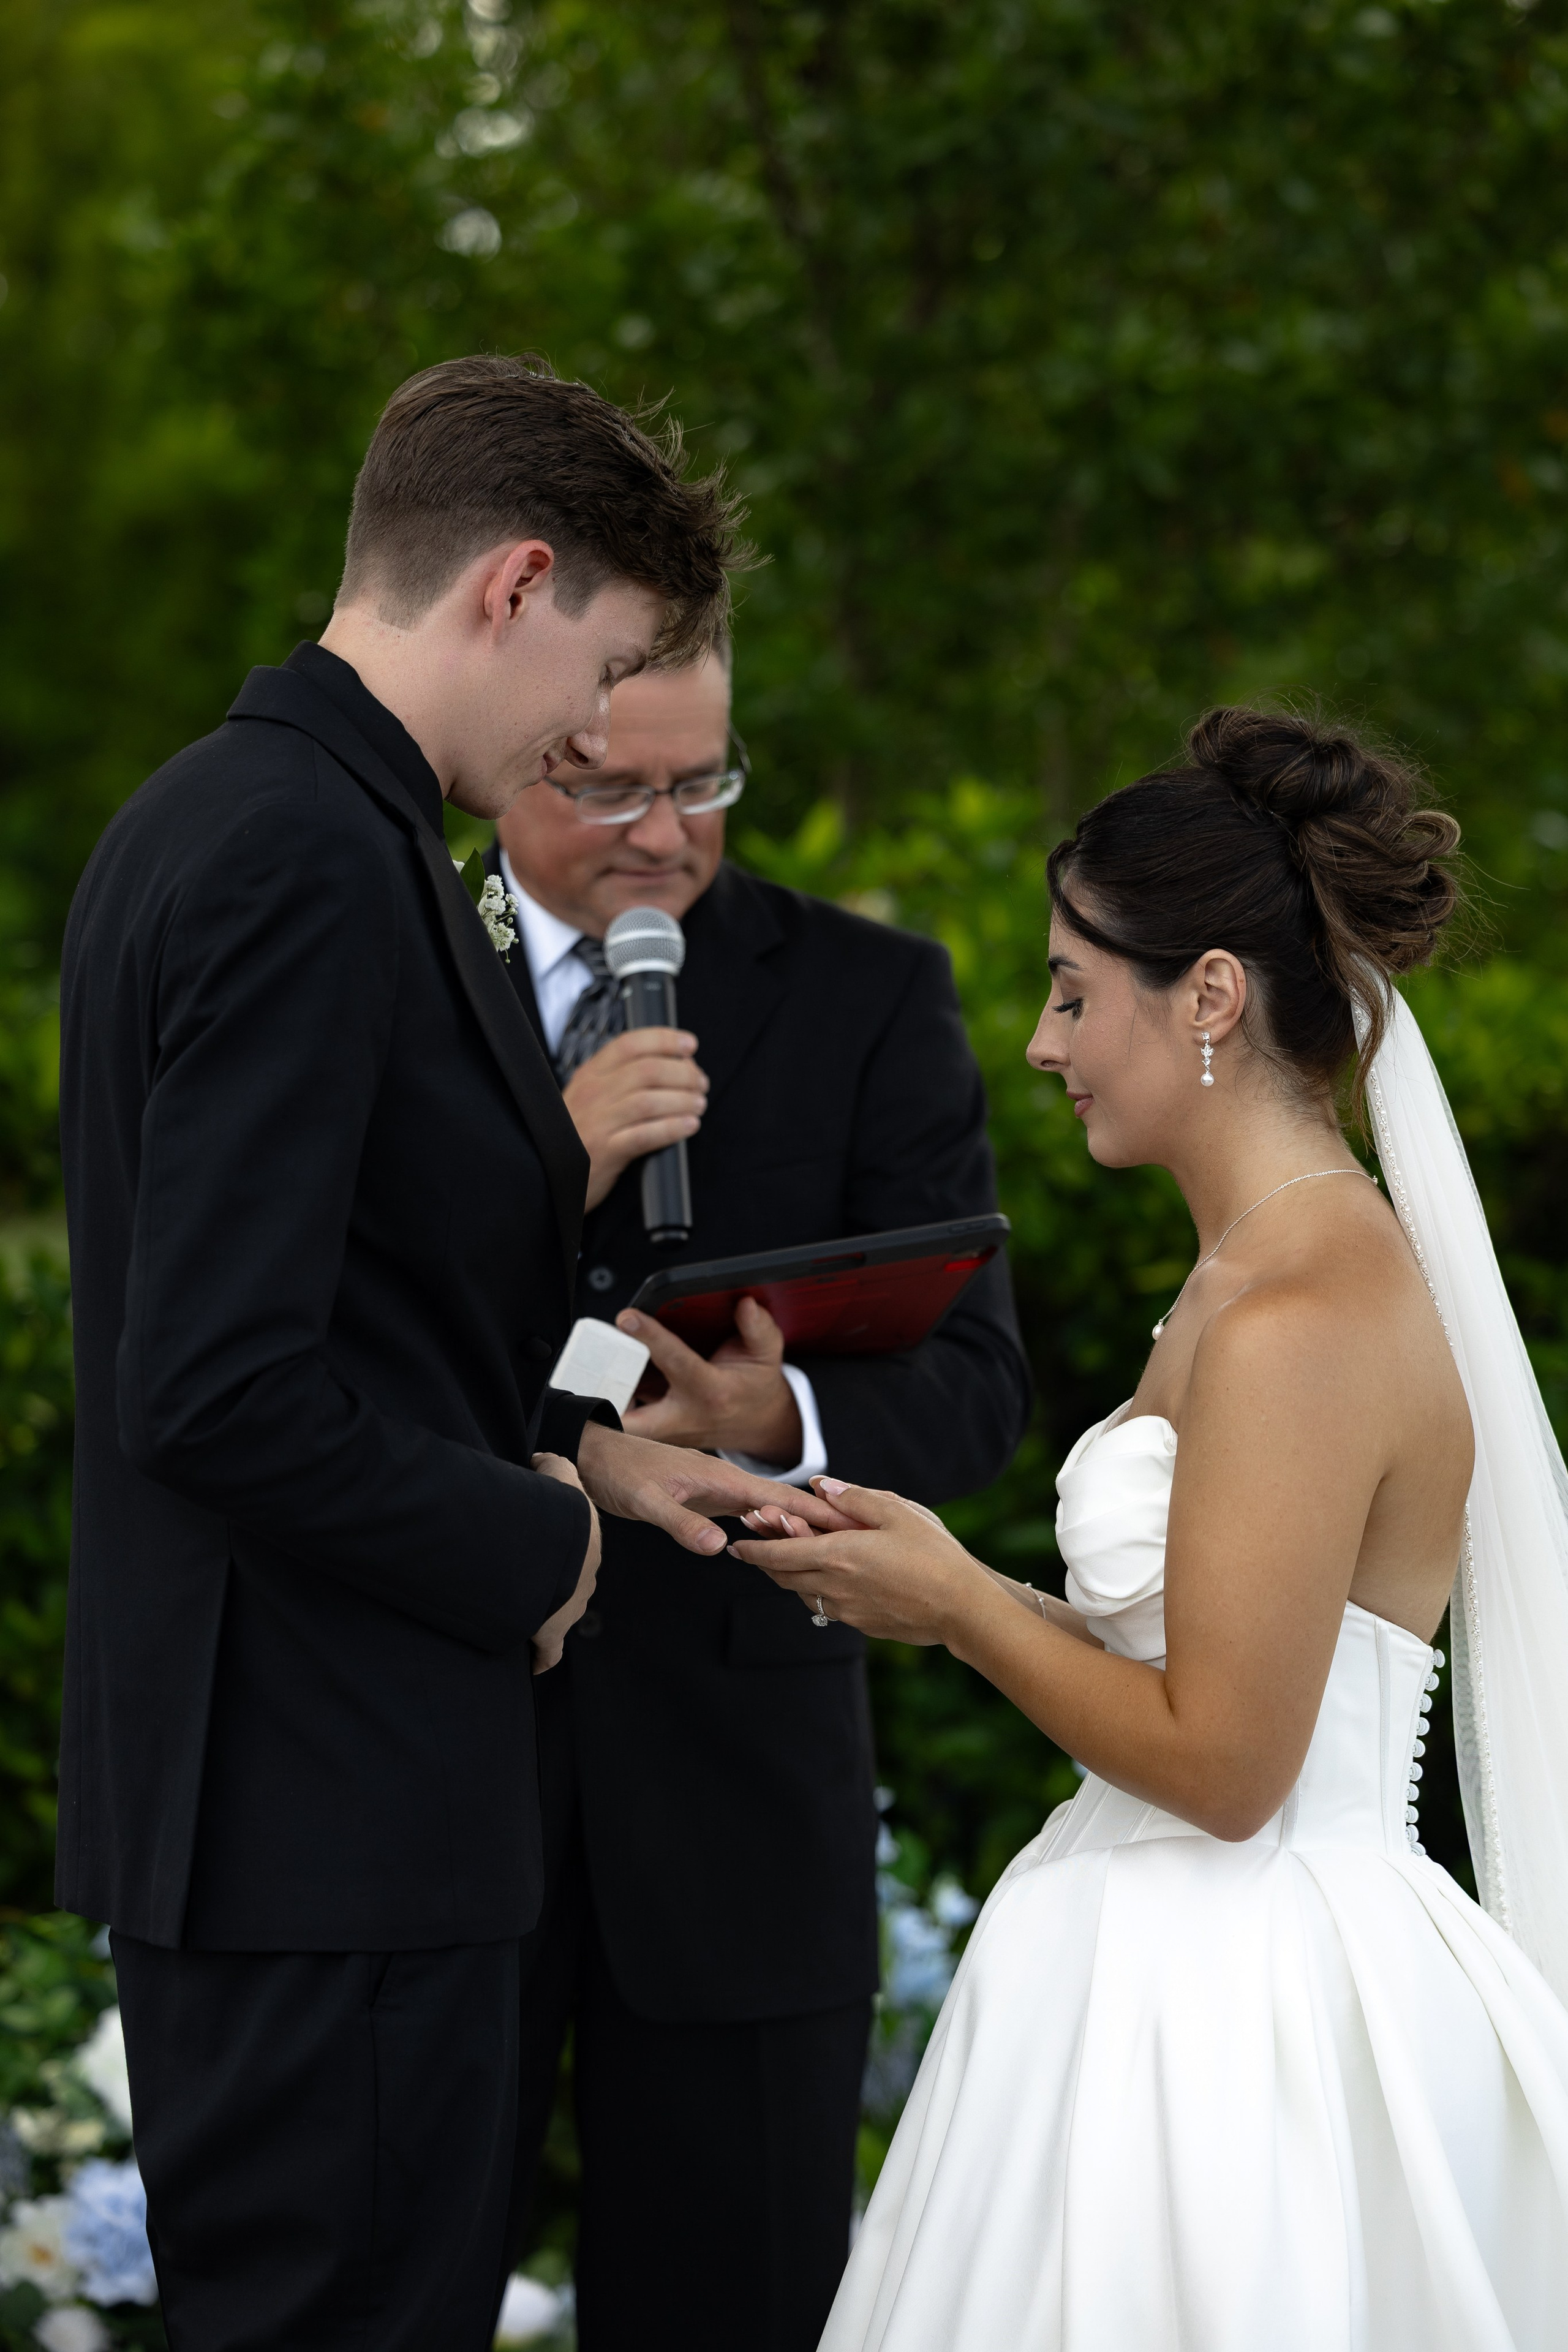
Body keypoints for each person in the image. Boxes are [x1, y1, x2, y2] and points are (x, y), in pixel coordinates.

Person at [56, 352, 846, 2352]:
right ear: (512, 583)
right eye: (603, 670)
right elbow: (217, 1384)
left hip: (305, 1818)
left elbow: (351, 1318)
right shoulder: (307, 851)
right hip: (333, 1824)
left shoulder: (229, 814)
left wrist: (584, 1454)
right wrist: (531, 1544)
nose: (599, 732)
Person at [734, 707, 1568, 2350]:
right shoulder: (1241, 1279)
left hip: (1250, 2025)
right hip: (1133, 1963)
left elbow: (1231, 1770)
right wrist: (929, 1577)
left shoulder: (1304, 1312)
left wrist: (968, 1606)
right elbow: (1211, 1661)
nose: (1042, 1041)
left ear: (1208, 996)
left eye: (1070, 986)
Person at [486, 644, 1031, 2350]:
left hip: (740, 1803)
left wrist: (780, 1411)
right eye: (609, 786)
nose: (666, 836)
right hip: (440, 1769)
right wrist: (544, 1162)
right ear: (505, 759)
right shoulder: (383, 960)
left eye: (701, 784)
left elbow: (980, 1386)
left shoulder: (869, 991)